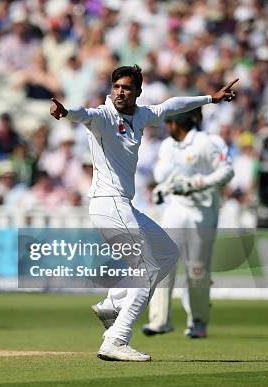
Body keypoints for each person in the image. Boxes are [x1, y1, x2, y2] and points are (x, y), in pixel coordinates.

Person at [50, 64, 237, 361]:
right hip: (108, 202)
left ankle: (113, 302)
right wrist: (65, 112)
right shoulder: (104, 115)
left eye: (126, 88)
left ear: (137, 92)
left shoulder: (140, 115)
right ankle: (116, 338)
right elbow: (82, 113)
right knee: (147, 269)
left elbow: (170, 106)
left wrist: (210, 99)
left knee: (166, 256)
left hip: (122, 204)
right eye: (116, 87)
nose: (120, 92)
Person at [142, 108, 233, 338]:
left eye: (169, 122)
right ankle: (159, 320)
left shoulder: (207, 143)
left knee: (197, 269)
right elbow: (170, 176)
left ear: (176, 123)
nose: (166, 127)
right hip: (175, 209)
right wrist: (162, 190)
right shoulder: (168, 146)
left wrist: (197, 183)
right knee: (164, 262)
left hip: (202, 213)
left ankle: (199, 322)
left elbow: (227, 172)